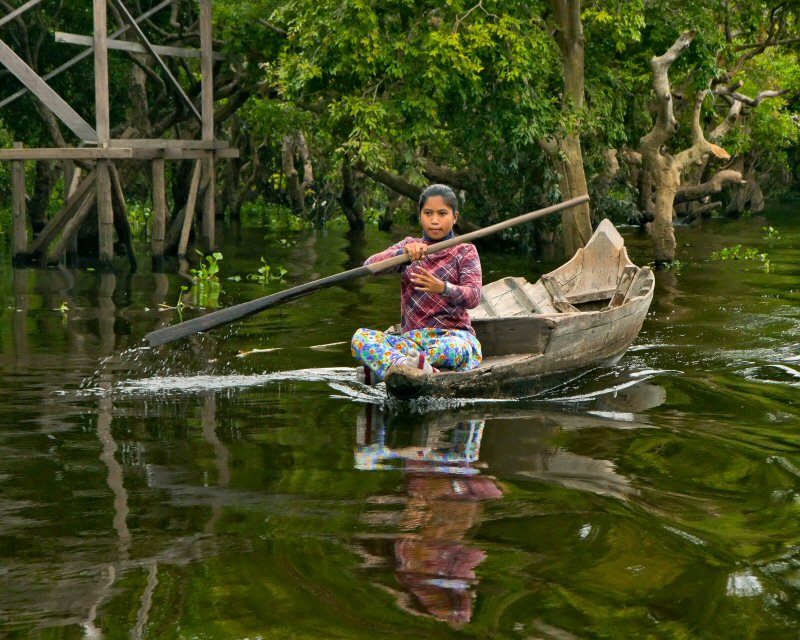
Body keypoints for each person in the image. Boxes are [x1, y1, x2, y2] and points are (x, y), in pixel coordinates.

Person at [351, 184, 482, 383]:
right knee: (360, 338)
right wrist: (402, 255)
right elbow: (370, 266)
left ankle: (394, 368)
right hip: (412, 342)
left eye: (442, 213)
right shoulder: (408, 247)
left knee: (455, 348)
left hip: (452, 337)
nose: (435, 220)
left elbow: (474, 296)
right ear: (420, 215)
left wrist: (443, 288)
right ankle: (405, 366)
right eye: (428, 213)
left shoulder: (465, 251)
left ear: (455, 217)